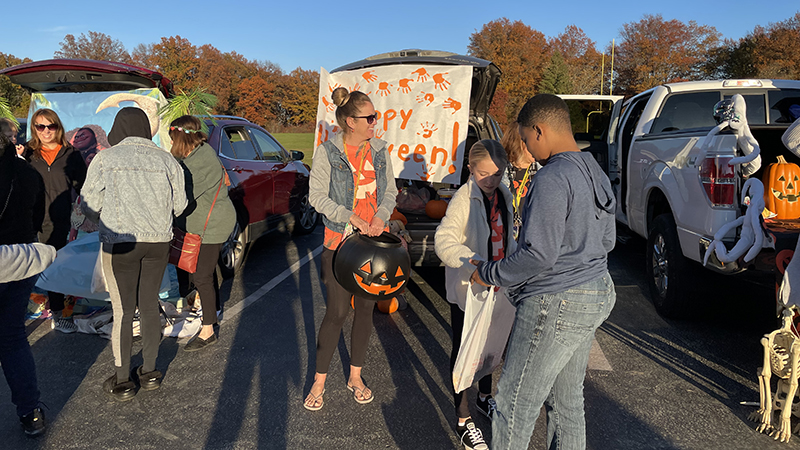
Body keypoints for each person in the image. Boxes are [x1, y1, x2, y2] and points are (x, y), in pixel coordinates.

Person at [471, 94, 617, 450]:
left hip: (558, 301)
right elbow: (609, 238)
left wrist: (488, 272)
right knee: (567, 404)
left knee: (513, 404)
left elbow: (538, 255)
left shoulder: (552, 177)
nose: (525, 147)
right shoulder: (592, 168)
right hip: (596, 288)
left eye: (525, 137)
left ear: (539, 130)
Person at [81, 107, 187, 402]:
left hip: (120, 243)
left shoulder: (105, 158)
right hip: (157, 242)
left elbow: (88, 202)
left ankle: (123, 378)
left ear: (118, 129)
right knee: (150, 306)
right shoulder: (167, 160)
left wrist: (103, 213)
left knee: (123, 311)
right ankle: (151, 372)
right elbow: (180, 205)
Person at [304, 87, 396, 411]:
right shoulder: (328, 152)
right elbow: (317, 197)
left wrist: (381, 216)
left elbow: (390, 193)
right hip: (339, 243)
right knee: (337, 312)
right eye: (369, 117)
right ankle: (319, 381)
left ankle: (355, 376)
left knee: (367, 309)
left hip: (374, 243)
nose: (375, 121)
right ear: (349, 121)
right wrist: (351, 216)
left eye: (375, 115)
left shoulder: (381, 151)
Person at [435, 139, 517, 450]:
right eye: (483, 174)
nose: (490, 181)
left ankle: (484, 398)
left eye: (496, 175)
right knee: (466, 349)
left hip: (498, 286)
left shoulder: (503, 194)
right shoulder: (463, 200)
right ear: (470, 169)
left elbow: (508, 233)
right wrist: (471, 262)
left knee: (491, 345)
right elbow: (444, 238)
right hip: (470, 289)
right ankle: (462, 418)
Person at [168, 115, 235, 352]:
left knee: (202, 275)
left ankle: (208, 331)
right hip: (201, 222)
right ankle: (211, 309)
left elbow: (183, 196)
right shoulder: (193, 155)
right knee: (197, 271)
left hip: (212, 225)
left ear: (179, 137)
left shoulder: (202, 159)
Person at [0, 131, 50, 436]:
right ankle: (30, 411)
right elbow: (38, 218)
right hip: (20, 260)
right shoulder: (28, 173)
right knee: (13, 338)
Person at [23, 109, 87, 333]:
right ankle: (22, 311)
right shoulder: (28, 154)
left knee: (58, 267)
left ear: (58, 127)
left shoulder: (71, 154)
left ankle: (60, 314)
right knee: (26, 268)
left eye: (51, 126)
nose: (46, 131)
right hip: (30, 220)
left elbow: (83, 186)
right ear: (34, 128)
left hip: (61, 221)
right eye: (41, 127)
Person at [500, 121, 539, 239]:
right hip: (503, 235)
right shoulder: (499, 170)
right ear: (519, 142)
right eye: (531, 142)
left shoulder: (543, 171)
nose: (535, 147)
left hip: (531, 236)